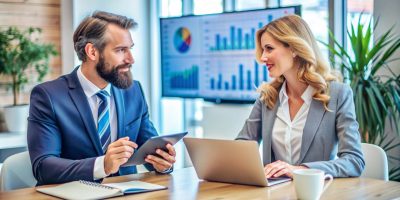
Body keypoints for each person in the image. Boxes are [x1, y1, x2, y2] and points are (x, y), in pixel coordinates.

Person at [28, 11, 175, 186]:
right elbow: (43, 167)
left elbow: (149, 149)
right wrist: (102, 165)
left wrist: (163, 163)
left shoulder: (133, 90)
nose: (131, 59)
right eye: (120, 50)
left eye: (130, 48)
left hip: (127, 193)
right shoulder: (48, 96)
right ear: (92, 52)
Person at [236, 15, 365, 178]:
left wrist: (300, 170)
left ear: (294, 48)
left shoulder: (338, 94)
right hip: (274, 193)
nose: (262, 58)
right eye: (263, 50)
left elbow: (354, 161)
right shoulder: (268, 96)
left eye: (269, 48)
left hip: (318, 192)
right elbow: (242, 146)